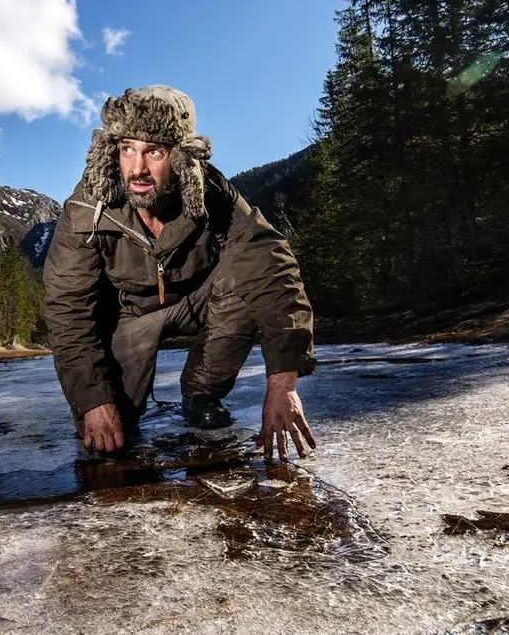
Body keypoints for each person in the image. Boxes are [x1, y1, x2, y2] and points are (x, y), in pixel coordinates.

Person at [43, 85, 317, 462]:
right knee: (114, 425)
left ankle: (201, 392)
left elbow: (271, 269)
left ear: (182, 155)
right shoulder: (86, 207)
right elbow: (66, 308)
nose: (136, 168)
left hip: (201, 300)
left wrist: (283, 381)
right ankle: (117, 401)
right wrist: (94, 400)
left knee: (242, 281)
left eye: (154, 151)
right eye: (127, 149)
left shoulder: (211, 192)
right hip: (128, 317)